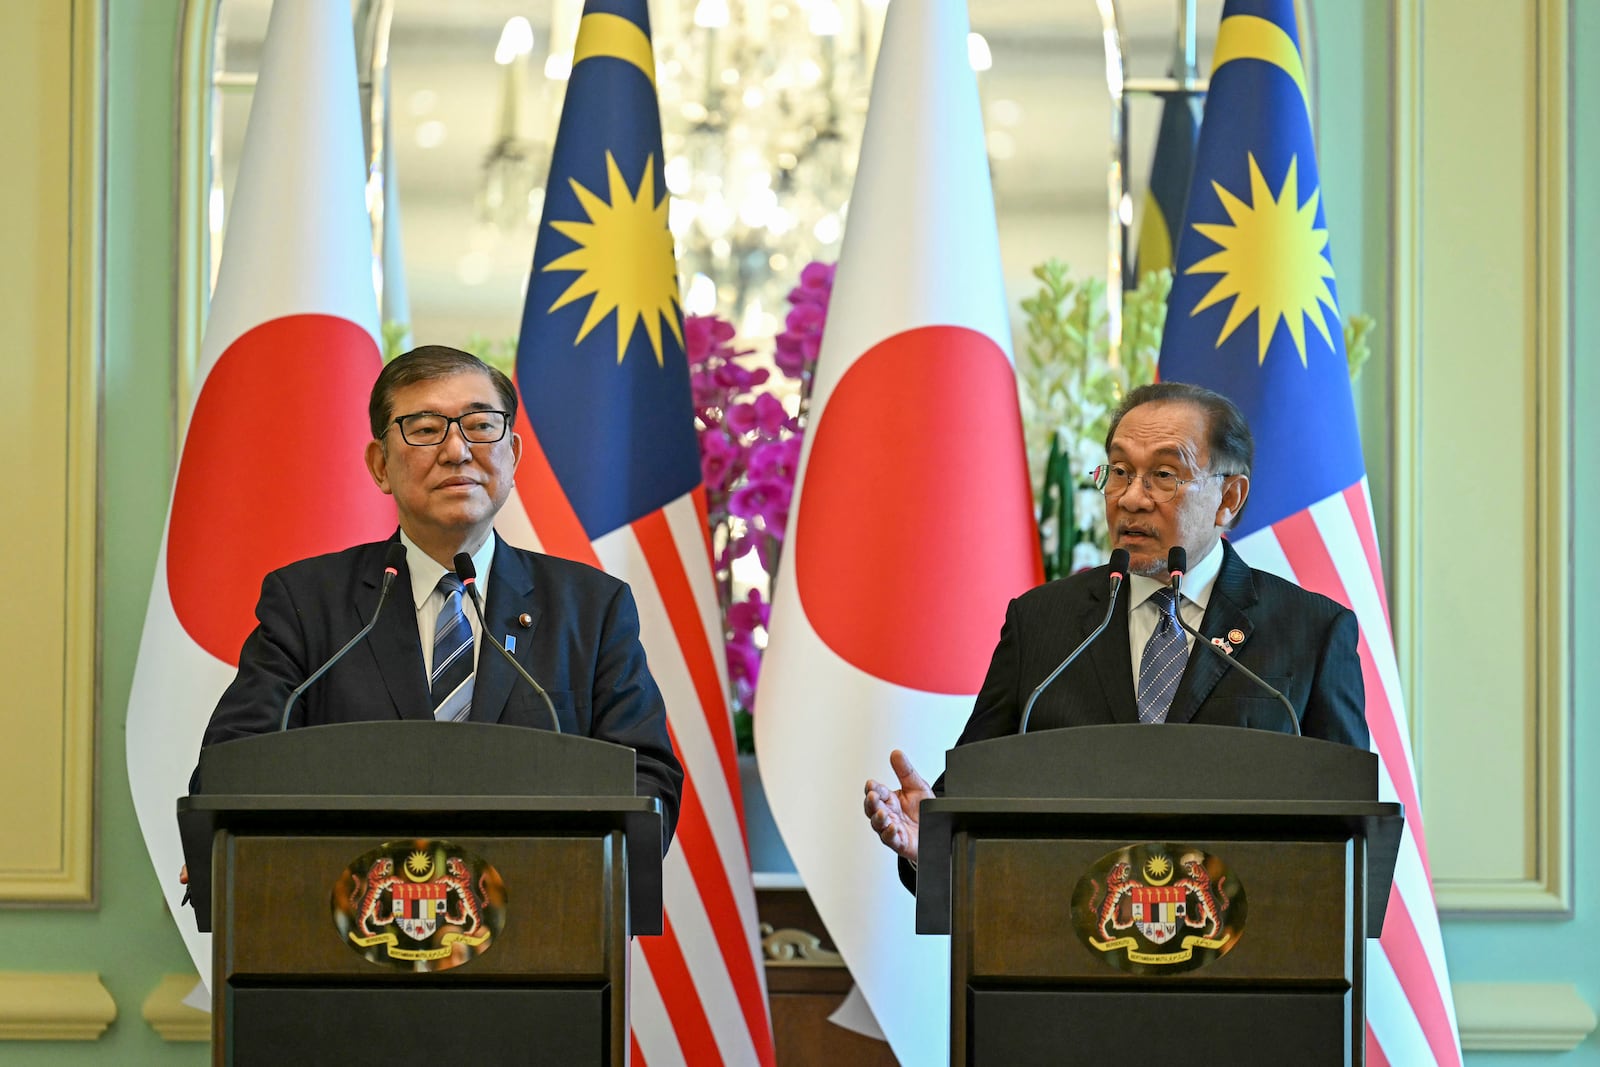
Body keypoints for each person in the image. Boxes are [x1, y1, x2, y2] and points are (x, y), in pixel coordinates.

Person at [863, 381, 1368, 874]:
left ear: (1228, 498)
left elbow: (1349, 827)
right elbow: (972, 797)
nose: (1131, 498)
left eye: (1165, 476)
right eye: (1120, 471)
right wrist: (929, 843)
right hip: (1066, 939)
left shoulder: (1312, 631)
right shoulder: (1043, 624)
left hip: (1253, 941)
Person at [190, 344, 683, 845]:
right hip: (354, 910)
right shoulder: (308, 604)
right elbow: (234, 764)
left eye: (480, 425)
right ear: (380, 465)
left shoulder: (591, 608)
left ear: (511, 455)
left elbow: (646, 777)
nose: (456, 450)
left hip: (546, 909)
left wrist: (612, 880)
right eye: (425, 429)